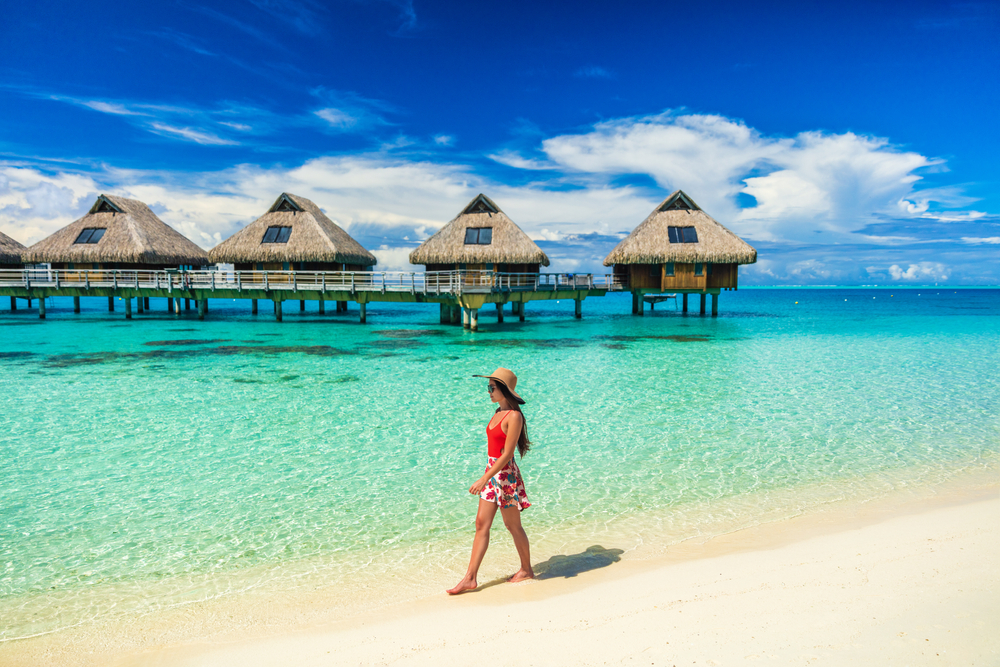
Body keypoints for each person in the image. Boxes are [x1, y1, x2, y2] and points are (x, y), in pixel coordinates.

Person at [447, 367, 533, 595]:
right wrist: (487, 474)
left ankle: (526, 569)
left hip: (504, 474)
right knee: (481, 524)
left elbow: (507, 454)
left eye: (491, 388)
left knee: (512, 525)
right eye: (489, 388)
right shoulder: (497, 412)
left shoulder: (514, 416)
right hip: (492, 470)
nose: (488, 392)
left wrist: (485, 478)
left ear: (504, 389)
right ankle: (470, 578)